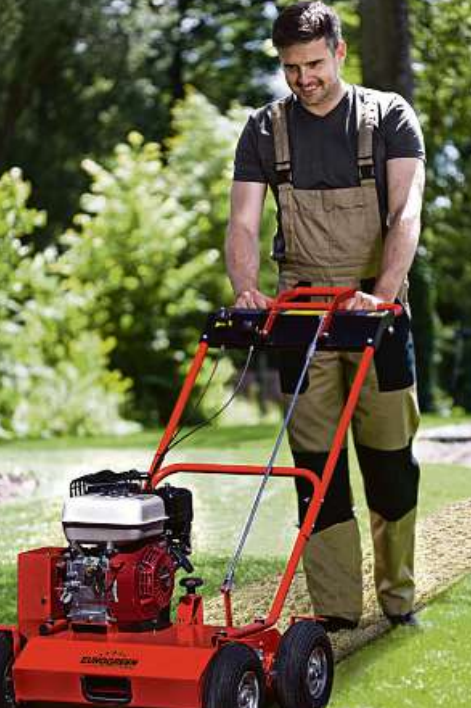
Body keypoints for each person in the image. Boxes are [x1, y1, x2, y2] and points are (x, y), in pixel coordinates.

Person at [225, 1, 425, 631]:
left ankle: (398, 600)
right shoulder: (265, 129)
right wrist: (246, 287)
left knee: (390, 462)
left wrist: (385, 290)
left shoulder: (386, 116)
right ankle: (338, 611)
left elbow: (406, 213)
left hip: (376, 313)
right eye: (290, 67)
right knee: (317, 469)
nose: (303, 78)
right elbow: (243, 222)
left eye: (313, 63)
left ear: (339, 51)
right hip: (301, 314)